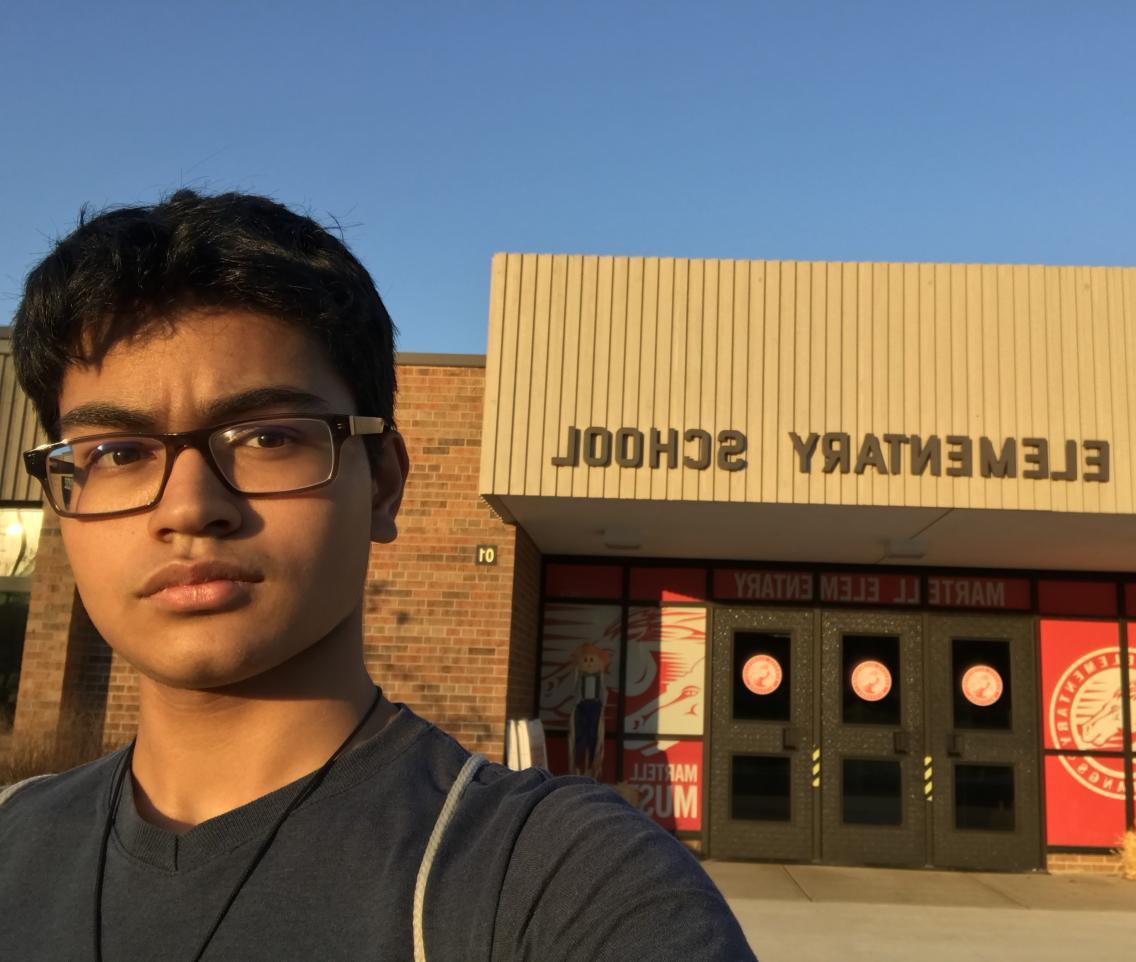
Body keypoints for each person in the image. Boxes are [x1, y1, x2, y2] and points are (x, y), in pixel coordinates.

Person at [0, 190, 755, 961]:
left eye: (266, 437)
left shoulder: (564, 884)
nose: (190, 507)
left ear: (383, 484)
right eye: (118, 453)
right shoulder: (13, 838)